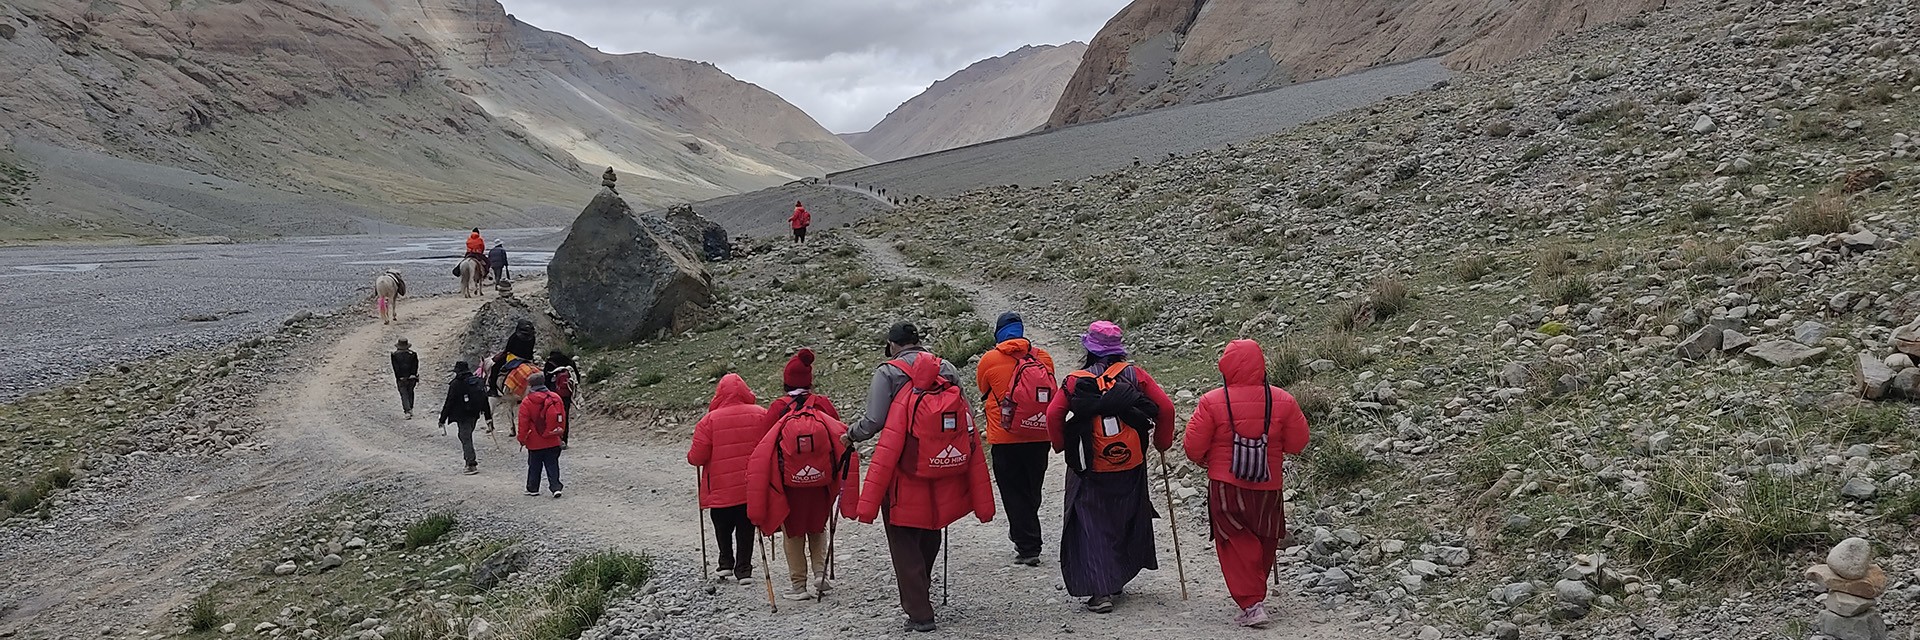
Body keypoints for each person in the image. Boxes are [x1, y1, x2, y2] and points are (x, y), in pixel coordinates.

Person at [849, 323, 995, 633]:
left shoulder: (888, 373)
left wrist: (850, 435)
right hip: (944, 465)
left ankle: (919, 612)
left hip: (903, 468)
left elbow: (873, 420)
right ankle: (922, 592)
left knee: (903, 536)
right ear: (918, 341)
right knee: (932, 524)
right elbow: (966, 414)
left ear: (892, 345)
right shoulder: (946, 367)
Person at [1044, 320, 1176, 614]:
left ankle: (1100, 591)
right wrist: (1162, 442)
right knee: (1124, 516)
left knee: (1092, 524)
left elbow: (1054, 414)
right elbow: (1165, 407)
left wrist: (1060, 445)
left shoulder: (1075, 381)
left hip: (1089, 464)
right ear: (1119, 350)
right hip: (1130, 462)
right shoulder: (1134, 375)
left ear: (1088, 349)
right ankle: (1117, 577)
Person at [1183, 339, 1311, 627]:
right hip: (1268, 485)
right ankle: (1255, 595)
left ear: (1225, 367)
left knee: (1235, 539)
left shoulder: (1212, 401)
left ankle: (1252, 603)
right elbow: (1299, 441)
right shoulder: (1282, 399)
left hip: (1226, 485)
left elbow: (1192, 447)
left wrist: (1207, 459)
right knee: (1265, 537)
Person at [748, 348, 858, 601]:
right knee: (817, 526)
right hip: (821, 480)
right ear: (809, 381)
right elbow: (838, 437)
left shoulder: (778, 408)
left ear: (786, 382)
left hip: (789, 484)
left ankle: (799, 585)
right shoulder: (822, 404)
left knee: (793, 531)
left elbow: (761, 445)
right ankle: (820, 573)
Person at [974, 312, 1057, 566]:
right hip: (1040, 435)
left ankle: (1028, 544)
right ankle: (1026, 529)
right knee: (1032, 488)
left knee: (1013, 491)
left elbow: (982, 388)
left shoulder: (989, 359)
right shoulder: (1042, 357)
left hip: (1005, 437)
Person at [688, 373, 770, 581]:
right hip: (749, 487)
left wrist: (691, 456)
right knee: (746, 526)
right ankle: (744, 570)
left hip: (719, 488)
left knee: (721, 523)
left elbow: (697, 457)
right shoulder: (761, 414)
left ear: (719, 394)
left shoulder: (708, 421)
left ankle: (725, 562)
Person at [516, 372, 567, 498]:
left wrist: (521, 439)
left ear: (530, 385)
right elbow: (563, 417)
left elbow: (523, 423)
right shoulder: (555, 397)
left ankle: (533, 488)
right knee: (552, 464)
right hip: (553, 438)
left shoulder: (527, 401)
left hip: (535, 441)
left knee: (534, 465)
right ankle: (555, 487)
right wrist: (560, 433)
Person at [437, 361, 494, 474]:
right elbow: (484, 400)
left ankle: (471, 464)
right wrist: (488, 417)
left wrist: (442, 419)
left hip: (461, 416)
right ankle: (470, 460)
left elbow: (449, 402)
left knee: (465, 437)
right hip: (474, 414)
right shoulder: (477, 382)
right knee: (466, 435)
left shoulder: (456, 384)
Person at [488, 319, 537, 396]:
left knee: (495, 368)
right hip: (528, 359)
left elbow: (508, 349)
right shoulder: (532, 337)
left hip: (514, 358)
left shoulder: (515, 336)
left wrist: (502, 354)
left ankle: (493, 389)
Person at [543, 351, 578, 444]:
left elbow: (545, 380)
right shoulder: (570, 362)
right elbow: (576, 378)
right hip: (566, 394)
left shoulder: (550, 363)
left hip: (553, 394)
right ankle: (564, 439)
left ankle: (554, 439)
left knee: (552, 416)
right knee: (564, 416)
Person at [390, 338, 420, 419]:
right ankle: (411, 407)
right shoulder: (413, 354)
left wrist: (400, 377)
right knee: (410, 391)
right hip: (412, 377)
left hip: (401, 378)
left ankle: (407, 410)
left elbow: (396, 368)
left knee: (404, 393)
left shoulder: (394, 355)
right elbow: (415, 365)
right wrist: (413, 374)